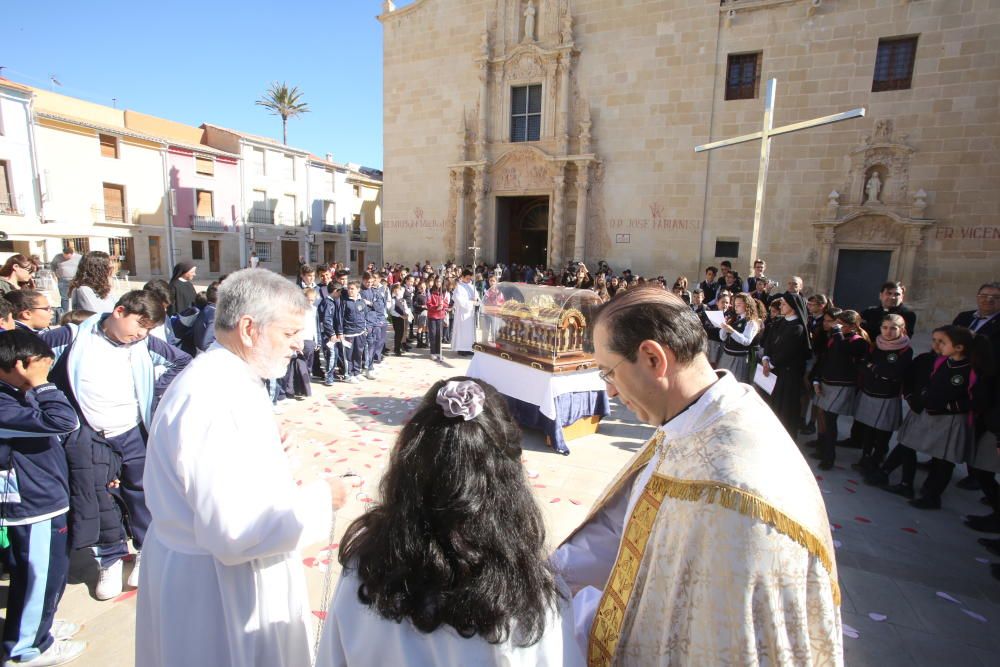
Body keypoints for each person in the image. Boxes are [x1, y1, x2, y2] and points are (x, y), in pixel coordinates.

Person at [552, 286, 841, 663]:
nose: (610, 390)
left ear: (653, 358)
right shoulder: (695, 420)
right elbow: (627, 530)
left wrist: (568, 615)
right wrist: (547, 577)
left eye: (608, 372)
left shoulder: (731, 499)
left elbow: (677, 634)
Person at [135, 269, 346, 667]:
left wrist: (269, 444)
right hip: (217, 594)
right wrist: (321, 499)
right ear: (249, 328)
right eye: (288, 334)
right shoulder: (216, 396)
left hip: (206, 576)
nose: (297, 347)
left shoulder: (227, 377)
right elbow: (233, 533)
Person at [316, 377, 580, 666]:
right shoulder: (528, 596)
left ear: (408, 464)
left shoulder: (365, 567)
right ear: (509, 477)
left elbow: (333, 656)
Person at [40, 291, 191, 601]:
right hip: (90, 434)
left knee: (142, 492)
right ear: (119, 311)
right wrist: (54, 401)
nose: (141, 334)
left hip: (133, 430)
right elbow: (27, 358)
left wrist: (153, 388)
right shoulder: (72, 336)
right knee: (98, 497)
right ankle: (109, 559)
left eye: (148, 329)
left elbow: (182, 362)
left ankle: (146, 551)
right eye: (139, 325)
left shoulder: (144, 345)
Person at [0, 330, 86, 666]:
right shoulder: (5, 404)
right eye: (40, 367)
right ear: (20, 365)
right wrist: (40, 383)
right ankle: (25, 649)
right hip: (31, 507)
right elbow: (63, 420)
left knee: (51, 574)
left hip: (47, 499)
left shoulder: (14, 393)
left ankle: (40, 628)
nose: (44, 373)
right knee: (36, 578)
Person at [852, 314, 912, 473]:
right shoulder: (874, 345)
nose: (888, 332)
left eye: (893, 328)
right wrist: (877, 370)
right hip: (869, 391)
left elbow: (894, 373)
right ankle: (865, 457)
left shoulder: (905, 350)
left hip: (887, 396)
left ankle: (877, 459)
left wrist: (874, 368)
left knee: (882, 432)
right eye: (885, 327)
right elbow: (863, 366)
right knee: (868, 430)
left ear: (902, 329)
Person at [813, 310, 871, 470]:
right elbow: (825, 359)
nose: (835, 327)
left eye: (840, 325)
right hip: (827, 382)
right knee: (823, 417)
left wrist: (837, 332)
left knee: (830, 420)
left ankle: (829, 457)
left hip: (841, 386)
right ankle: (822, 447)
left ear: (852, 326)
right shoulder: (836, 338)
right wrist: (817, 379)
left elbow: (843, 349)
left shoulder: (858, 342)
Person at [761, 294, 812, 437]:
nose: (781, 306)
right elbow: (769, 342)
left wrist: (770, 363)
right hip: (774, 371)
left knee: (786, 409)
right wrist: (765, 358)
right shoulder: (779, 322)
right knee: (773, 406)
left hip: (789, 375)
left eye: (784, 304)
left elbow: (787, 351)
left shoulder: (798, 328)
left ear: (793, 307)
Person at [718, 292, 761, 383]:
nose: (736, 307)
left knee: (734, 384)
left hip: (738, 358)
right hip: (726, 355)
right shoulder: (734, 318)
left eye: (739, 305)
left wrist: (732, 331)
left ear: (747, 305)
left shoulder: (751, 322)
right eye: (735, 305)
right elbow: (723, 338)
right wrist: (724, 327)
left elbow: (746, 341)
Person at [451, 269, 479, 357]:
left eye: (470, 279)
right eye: (467, 278)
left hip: (470, 314)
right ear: (462, 277)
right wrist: (471, 302)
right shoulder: (459, 287)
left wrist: (476, 301)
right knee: (462, 331)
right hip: (462, 313)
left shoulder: (472, 286)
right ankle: (461, 348)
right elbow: (460, 301)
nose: (469, 280)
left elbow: (477, 298)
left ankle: (468, 348)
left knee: (470, 332)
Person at [49, 244, 80, 314]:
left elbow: (84, 267)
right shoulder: (57, 257)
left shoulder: (79, 257)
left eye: (68, 256)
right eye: (64, 255)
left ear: (72, 254)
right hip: (63, 280)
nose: (65, 258)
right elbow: (52, 266)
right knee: (64, 298)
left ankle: (76, 313)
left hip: (75, 280)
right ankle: (64, 314)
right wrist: (54, 275)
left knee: (77, 297)